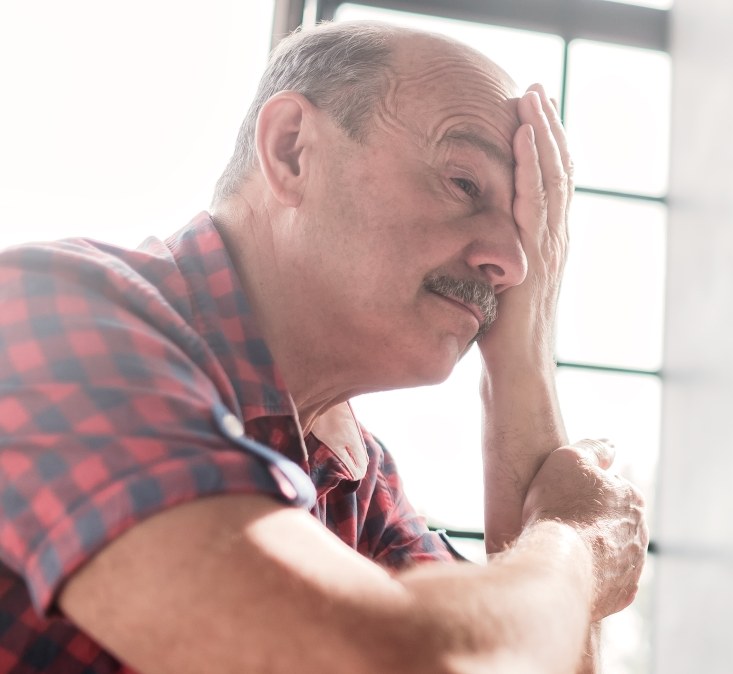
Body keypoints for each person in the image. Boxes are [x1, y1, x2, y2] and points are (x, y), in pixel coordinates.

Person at [0, 19, 647, 674]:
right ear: (291, 152)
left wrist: (523, 363)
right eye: (464, 184)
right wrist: (577, 541)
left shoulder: (355, 479)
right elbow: (401, 661)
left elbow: (524, 660)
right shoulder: (46, 319)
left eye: (523, 231)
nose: (512, 262)